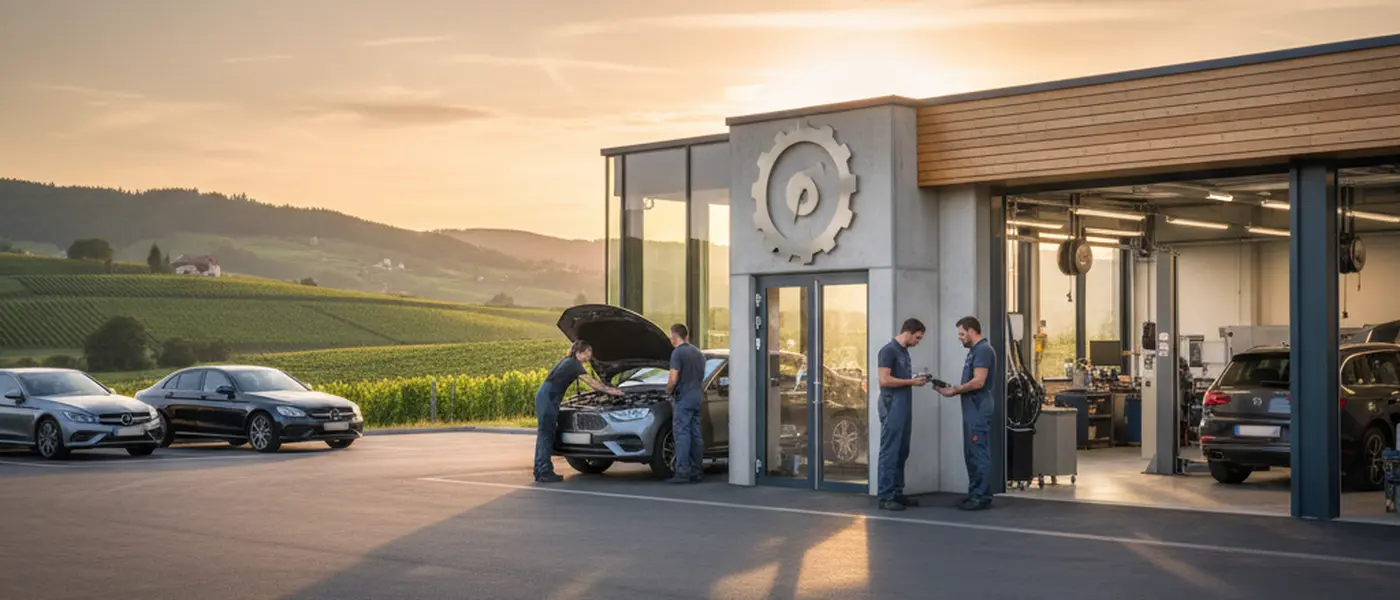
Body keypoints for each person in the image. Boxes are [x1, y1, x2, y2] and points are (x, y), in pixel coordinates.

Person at [532, 340, 624, 483]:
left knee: (544, 433)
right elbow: (592, 383)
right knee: (546, 435)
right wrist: (612, 391)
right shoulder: (574, 364)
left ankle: (540, 470)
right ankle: (544, 472)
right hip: (549, 398)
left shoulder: (568, 361)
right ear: (579, 352)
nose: (588, 357)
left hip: (545, 396)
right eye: (587, 353)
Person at [937, 316, 996, 511]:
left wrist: (955, 390)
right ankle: (974, 493)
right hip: (972, 408)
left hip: (979, 408)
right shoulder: (974, 351)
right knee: (971, 452)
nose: (959, 338)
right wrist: (952, 389)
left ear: (972, 331)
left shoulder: (983, 351)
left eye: (962, 334)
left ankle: (981, 496)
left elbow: (979, 381)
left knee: (978, 452)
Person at [876, 318, 929, 511]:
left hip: (904, 406)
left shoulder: (904, 353)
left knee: (901, 451)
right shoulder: (888, 351)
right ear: (908, 332)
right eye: (917, 338)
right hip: (892, 406)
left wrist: (913, 379)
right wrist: (912, 383)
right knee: (890, 450)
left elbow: (899, 378)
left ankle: (897, 492)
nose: (918, 342)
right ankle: (885, 495)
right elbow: (884, 380)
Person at [665, 323, 707, 484]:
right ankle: (697, 471)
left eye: (671, 337)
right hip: (697, 396)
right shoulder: (698, 353)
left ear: (675, 337)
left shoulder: (677, 353)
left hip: (683, 398)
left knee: (681, 434)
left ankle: (682, 472)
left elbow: (673, 377)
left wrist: (668, 391)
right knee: (695, 434)